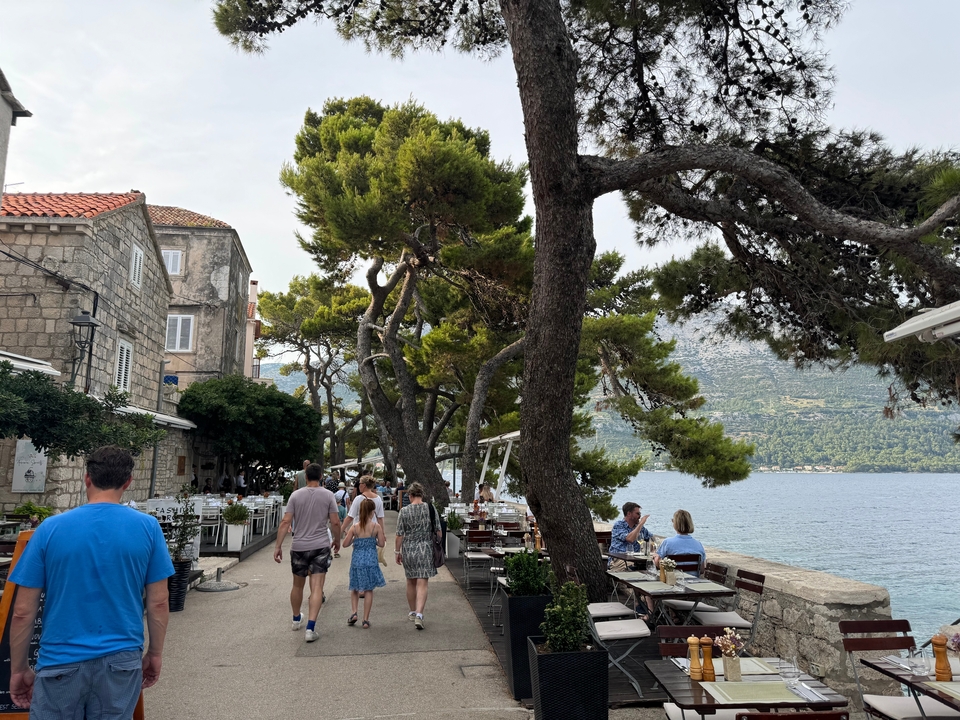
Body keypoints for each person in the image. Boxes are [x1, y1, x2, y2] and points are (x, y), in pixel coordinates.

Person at [8, 445, 173, 716]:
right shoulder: (148, 528)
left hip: (60, 661)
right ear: (128, 482)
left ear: (87, 478)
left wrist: (18, 669)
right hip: (121, 661)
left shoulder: (50, 529)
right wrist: (154, 654)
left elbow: (23, 612)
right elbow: (159, 602)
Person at [274, 463, 341, 643]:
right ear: (321, 476)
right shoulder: (328, 495)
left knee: (297, 585)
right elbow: (335, 522)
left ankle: (296, 619)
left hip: (299, 546)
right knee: (317, 587)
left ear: (305, 476)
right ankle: (310, 628)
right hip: (320, 545)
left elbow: (285, 522)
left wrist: (278, 546)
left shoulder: (295, 495)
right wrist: (337, 540)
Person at [395, 482, 441, 630]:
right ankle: (420, 614)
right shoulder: (430, 508)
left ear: (410, 495)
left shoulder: (404, 511)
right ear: (422, 494)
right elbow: (438, 530)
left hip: (409, 549)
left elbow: (399, 534)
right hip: (425, 548)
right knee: (422, 582)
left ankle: (412, 611)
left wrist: (397, 552)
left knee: (410, 581)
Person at [343, 498, 386, 629]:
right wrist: (373, 542)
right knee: (368, 590)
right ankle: (365, 619)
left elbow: (345, 544)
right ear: (372, 512)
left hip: (357, 560)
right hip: (371, 560)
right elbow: (381, 543)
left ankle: (354, 612)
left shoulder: (355, 527)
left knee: (355, 587)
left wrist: (352, 538)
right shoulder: (376, 527)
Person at [654, 509, 706, 575]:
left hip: (673, 579)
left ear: (675, 524)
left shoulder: (667, 542)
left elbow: (657, 564)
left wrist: (655, 557)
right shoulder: (698, 544)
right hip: (693, 580)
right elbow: (701, 570)